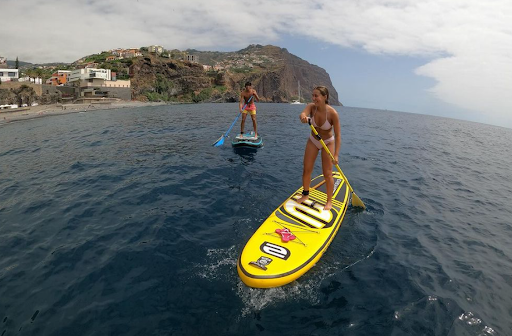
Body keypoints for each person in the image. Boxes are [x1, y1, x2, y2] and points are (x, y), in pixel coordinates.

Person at [297, 86, 341, 211]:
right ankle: (305, 194)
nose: (314, 98)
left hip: (328, 143)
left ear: (325, 97)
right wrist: (303, 118)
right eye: (313, 95)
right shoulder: (311, 107)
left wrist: (336, 155)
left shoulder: (333, 113)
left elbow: (338, 136)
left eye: (316, 96)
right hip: (313, 141)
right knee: (307, 169)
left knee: (327, 173)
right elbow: (303, 113)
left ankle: (329, 201)